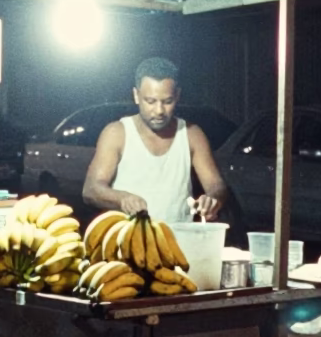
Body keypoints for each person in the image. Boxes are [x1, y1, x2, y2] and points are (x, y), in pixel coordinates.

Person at [83, 57, 228, 224]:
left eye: (167, 102)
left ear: (177, 96)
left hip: (178, 243)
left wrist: (212, 199)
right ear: (136, 96)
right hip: (127, 243)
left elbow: (217, 185)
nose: (159, 110)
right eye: (150, 101)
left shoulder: (192, 134)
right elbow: (91, 189)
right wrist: (122, 198)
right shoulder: (117, 133)